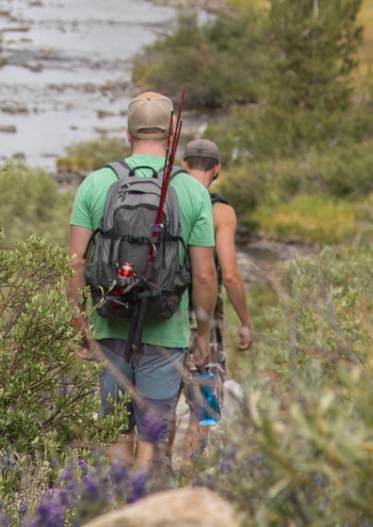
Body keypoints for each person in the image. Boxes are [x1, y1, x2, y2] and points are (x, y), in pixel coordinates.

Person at [66, 92, 217, 470]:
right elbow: (203, 274)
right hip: (167, 332)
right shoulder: (193, 191)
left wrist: (78, 322)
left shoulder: (97, 182)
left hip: (109, 323)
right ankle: (144, 503)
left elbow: (74, 263)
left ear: (127, 131)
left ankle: (115, 503)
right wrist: (202, 333)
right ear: (171, 136)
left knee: (117, 433)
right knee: (152, 436)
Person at [179, 137, 252, 356]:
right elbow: (229, 275)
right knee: (205, 387)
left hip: (166, 317)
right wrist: (245, 322)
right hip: (206, 318)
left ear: (184, 164)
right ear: (217, 168)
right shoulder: (221, 212)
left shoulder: (170, 202)